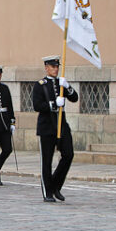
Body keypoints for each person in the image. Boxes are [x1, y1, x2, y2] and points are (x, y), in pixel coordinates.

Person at [31, 55, 78, 202]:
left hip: (61, 124)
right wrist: (53, 104)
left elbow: (75, 98)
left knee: (68, 154)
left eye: (57, 66)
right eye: (53, 66)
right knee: (47, 160)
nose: (56, 69)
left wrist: (68, 87)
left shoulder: (61, 82)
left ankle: (56, 185)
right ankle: (48, 192)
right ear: (46, 68)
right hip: (47, 126)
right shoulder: (40, 85)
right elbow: (36, 105)